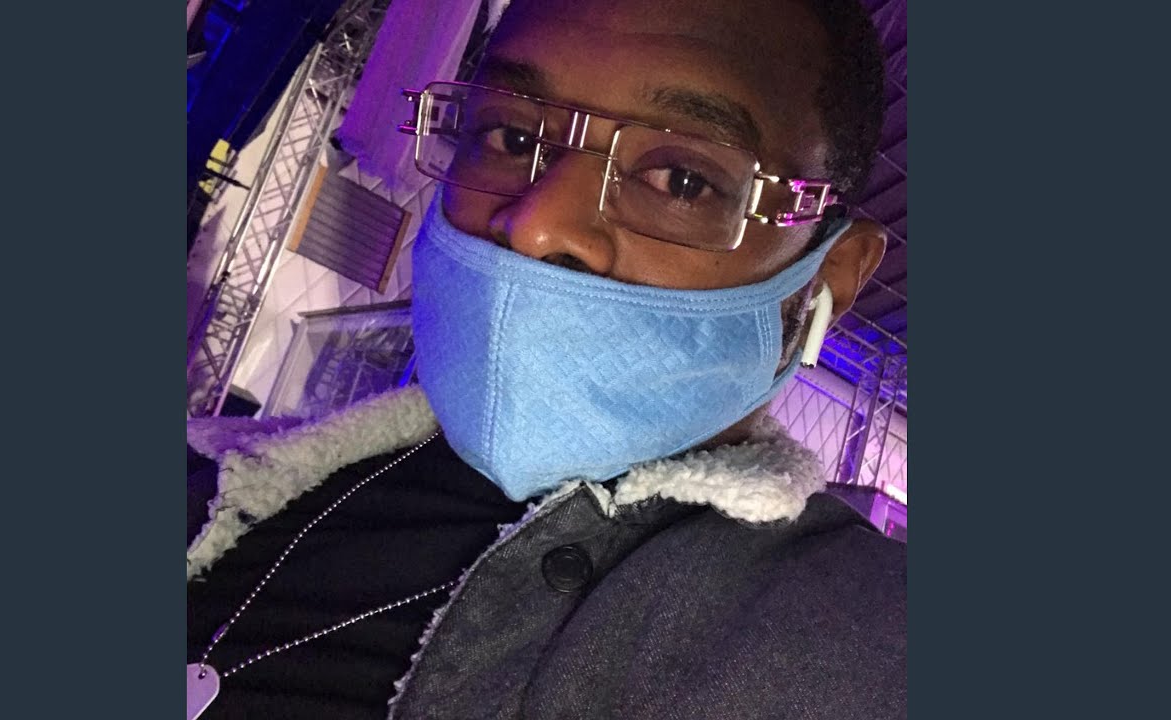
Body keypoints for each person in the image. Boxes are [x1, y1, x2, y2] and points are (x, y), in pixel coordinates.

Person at [187, 0, 905, 718]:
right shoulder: (218, 479)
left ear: (829, 276)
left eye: (683, 180)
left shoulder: (868, 652)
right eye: (509, 134)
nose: (536, 223)